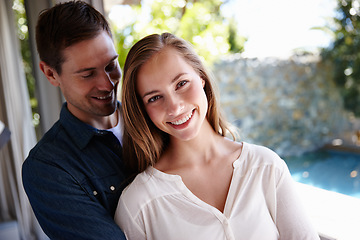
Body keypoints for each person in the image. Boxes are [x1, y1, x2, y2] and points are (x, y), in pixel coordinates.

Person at [114, 32, 320, 240]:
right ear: (143, 110)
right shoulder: (138, 204)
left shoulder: (265, 167)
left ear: (201, 77)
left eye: (181, 83)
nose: (174, 107)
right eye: (155, 97)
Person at [22, 1, 129, 239]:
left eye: (111, 65)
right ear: (50, 73)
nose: (107, 83)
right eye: (88, 74)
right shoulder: (48, 169)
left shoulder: (155, 118)